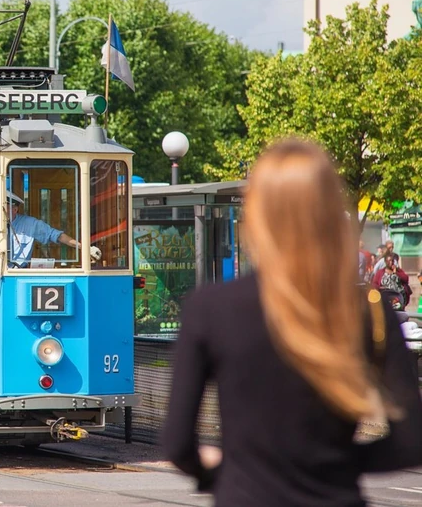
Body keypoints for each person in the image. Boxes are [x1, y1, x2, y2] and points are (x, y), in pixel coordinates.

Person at [162, 139, 422, 505]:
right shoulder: (369, 312)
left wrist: (228, 474)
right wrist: (334, 464)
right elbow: (411, 441)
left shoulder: (211, 308)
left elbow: (177, 443)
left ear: (258, 214)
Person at [0, 192, 82, 269]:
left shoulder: (30, 224)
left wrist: (83, 247)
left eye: (3, 207)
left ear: (15, 209)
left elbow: (56, 235)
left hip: (19, 273)